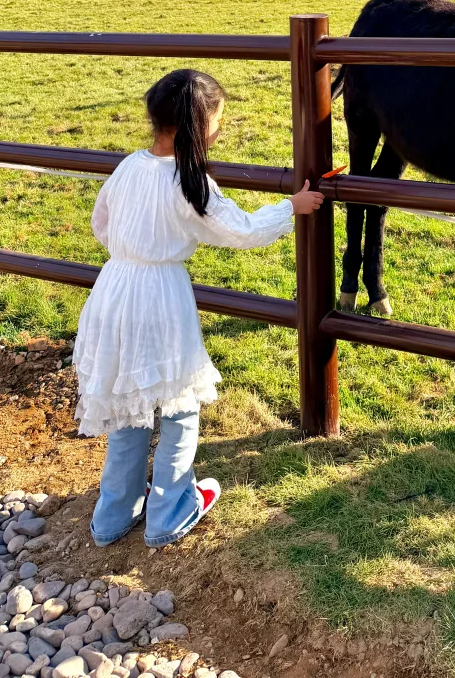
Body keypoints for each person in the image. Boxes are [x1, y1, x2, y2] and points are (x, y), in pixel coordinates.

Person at [73, 67, 324, 548]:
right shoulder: (192, 184)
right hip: (160, 299)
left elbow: (100, 221)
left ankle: (112, 515)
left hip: (114, 289)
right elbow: (242, 230)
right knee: (178, 404)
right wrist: (292, 207)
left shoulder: (129, 166)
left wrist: (131, 255)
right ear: (201, 125)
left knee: (128, 405)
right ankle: (169, 511)